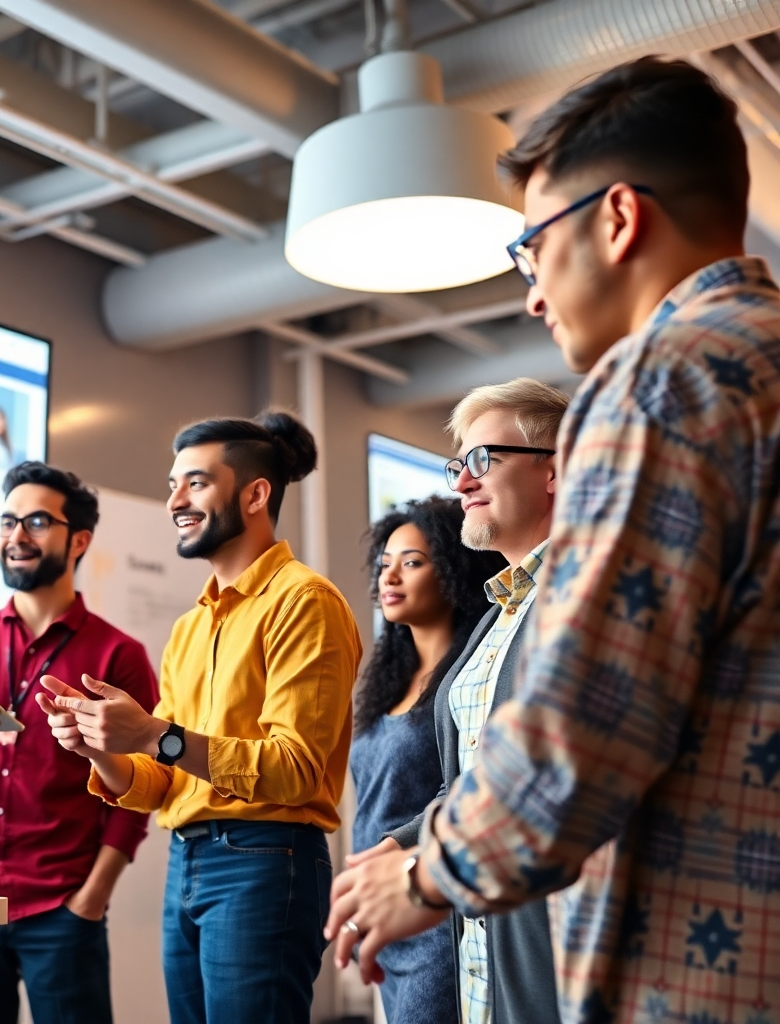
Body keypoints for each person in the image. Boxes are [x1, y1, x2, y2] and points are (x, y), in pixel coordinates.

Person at [328, 56, 780, 1024]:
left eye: (530, 248)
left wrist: (419, 875)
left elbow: (584, 721)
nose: (531, 293)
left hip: (694, 973)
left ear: (616, 219)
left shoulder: (662, 378)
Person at [38, 411, 362, 1024]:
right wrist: (100, 746)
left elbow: (293, 770)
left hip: (266, 859)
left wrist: (154, 735)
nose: (174, 502)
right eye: (171, 485)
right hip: (186, 860)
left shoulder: (305, 602)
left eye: (194, 483)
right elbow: (164, 780)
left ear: (255, 493)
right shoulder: (192, 625)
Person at [338, 380, 568, 1024]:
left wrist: (417, 869)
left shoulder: (581, 595)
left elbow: (547, 774)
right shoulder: (500, 616)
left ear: (556, 469)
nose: (462, 482)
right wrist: (400, 844)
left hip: (546, 942)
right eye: (456, 464)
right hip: (477, 943)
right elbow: (471, 781)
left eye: (481, 459)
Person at [0, 461, 159, 1024]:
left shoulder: (119, 657)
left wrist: (90, 900)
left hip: (61, 908)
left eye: (37, 521)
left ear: (80, 540)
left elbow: (138, 797)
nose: (16, 535)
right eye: (7, 520)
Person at [349, 496, 504, 1023]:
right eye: (385, 562)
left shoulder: (469, 678)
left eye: (412, 562)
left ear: (454, 569)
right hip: (382, 911)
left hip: (435, 909)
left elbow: (469, 785)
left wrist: (396, 850)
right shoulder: (386, 683)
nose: (390, 576)